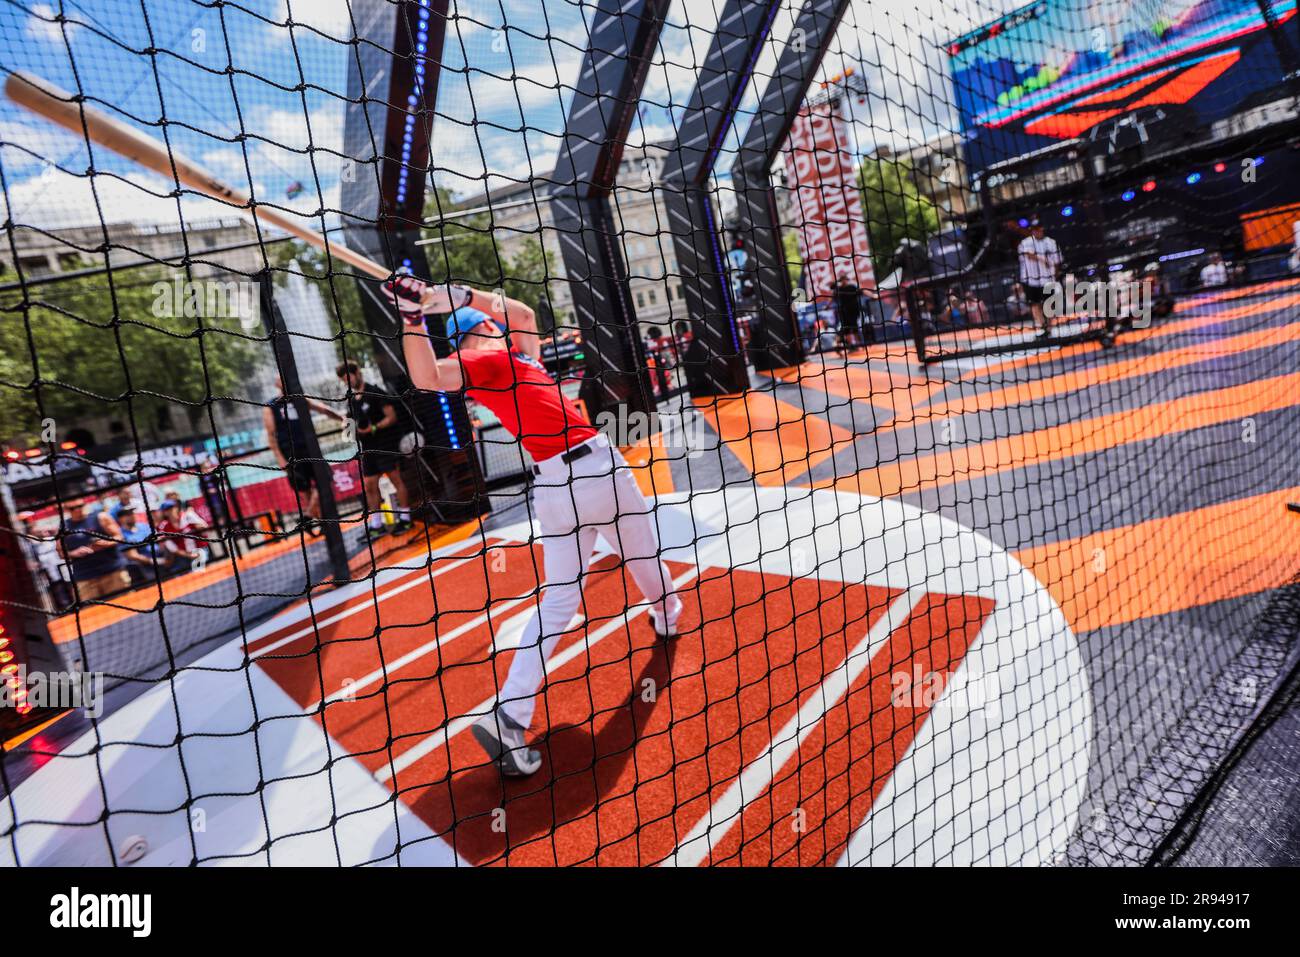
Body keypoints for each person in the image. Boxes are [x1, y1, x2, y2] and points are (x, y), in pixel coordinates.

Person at [387, 274, 682, 778]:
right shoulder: (490, 358)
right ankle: (668, 613)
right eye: (488, 321)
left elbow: (523, 316)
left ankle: (511, 713)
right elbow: (428, 378)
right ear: (480, 330)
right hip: (595, 471)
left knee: (562, 600)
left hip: (556, 487)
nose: (502, 324)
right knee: (641, 555)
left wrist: (458, 296)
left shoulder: (518, 357)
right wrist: (415, 317)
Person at [337, 360, 413, 536]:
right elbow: (349, 424)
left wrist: (373, 428)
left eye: (349, 377)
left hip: (385, 444)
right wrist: (348, 429)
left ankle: (406, 520)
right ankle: (377, 525)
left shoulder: (375, 392)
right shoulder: (351, 400)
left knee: (396, 480)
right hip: (368, 448)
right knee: (370, 485)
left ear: (357, 373)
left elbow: (392, 417)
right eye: (343, 380)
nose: (347, 382)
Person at [262, 376, 341, 532]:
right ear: (277, 384)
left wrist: (343, 418)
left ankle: (308, 515)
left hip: (309, 448)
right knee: (304, 490)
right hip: (290, 452)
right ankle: (322, 523)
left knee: (325, 478)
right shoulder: (271, 406)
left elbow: (323, 409)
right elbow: (271, 435)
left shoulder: (299, 399)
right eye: (280, 379)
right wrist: (280, 458)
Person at [57, 497, 130, 600]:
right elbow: (61, 553)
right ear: (66, 510)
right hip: (84, 578)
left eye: (80, 506)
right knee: (90, 612)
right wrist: (74, 553)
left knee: (125, 604)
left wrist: (105, 543)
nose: (78, 509)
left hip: (112, 571)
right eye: (72, 508)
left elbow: (119, 537)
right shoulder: (64, 527)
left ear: (85, 504)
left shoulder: (101, 517)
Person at [1017, 218, 1062, 338]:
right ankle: (1043, 327)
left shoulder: (1051, 242)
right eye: (1034, 230)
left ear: (1042, 229)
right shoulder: (1025, 242)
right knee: (1034, 304)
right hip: (1030, 279)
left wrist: (1055, 276)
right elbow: (1028, 255)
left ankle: (1049, 328)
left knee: (1049, 305)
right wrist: (1043, 259)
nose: (1036, 232)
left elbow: (1057, 261)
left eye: (1038, 229)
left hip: (1047, 279)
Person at [156, 498, 211, 574]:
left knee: (198, 571)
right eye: (167, 509)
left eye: (172, 507)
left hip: (200, 550)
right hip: (184, 555)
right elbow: (171, 547)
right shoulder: (164, 526)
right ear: (164, 512)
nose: (171, 511)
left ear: (176, 507)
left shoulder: (188, 516)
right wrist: (188, 555)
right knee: (178, 575)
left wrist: (199, 526)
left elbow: (205, 530)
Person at [834, 274, 862, 353]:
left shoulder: (852, 287)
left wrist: (873, 295)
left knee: (854, 326)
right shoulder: (839, 289)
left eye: (845, 279)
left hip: (853, 310)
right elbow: (833, 297)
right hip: (844, 311)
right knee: (846, 328)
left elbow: (862, 291)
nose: (844, 281)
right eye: (842, 280)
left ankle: (858, 344)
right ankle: (851, 346)